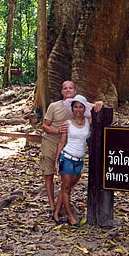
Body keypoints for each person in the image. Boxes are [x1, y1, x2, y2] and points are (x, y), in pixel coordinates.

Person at [40, 81, 102, 218]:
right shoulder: (54, 106)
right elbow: (44, 126)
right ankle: (52, 206)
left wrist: (99, 103)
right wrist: (57, 130)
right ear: (61, 91)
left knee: (67, 183)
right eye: (65, 88)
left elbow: (92, 109)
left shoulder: (78, 107)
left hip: (71, 148)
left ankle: (59, 205)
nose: (68, 90)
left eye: (70, 88)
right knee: (49, 174)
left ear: (75, 91)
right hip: (51, 142)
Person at [53, 95, 92, 226]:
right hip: (66, 158)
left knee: (66, 187)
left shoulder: (88, 121)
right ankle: (70, 217)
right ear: (72, 108)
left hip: (79, 160)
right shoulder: (67, 124)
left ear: (84, 108)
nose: (78, 110)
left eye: (81, 107)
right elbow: (61, 143)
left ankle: (56, 212)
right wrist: (56, 161)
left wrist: (98, 103)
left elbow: (98, 106)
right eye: (75, 107)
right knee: (67, 189)